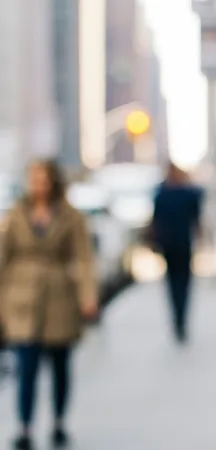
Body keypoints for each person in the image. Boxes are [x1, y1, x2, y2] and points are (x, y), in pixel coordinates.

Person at [0, 160, 98, 450]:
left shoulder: (71, 216)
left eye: (43, 179)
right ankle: (25, 428)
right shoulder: (16, 215)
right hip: (22, 301)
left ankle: (58, 422)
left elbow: (83, 258)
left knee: (59, 366)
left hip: (59, 299)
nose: (38, 185)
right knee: (25, 367)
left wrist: (88, 297)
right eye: (34, 179)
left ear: (53, 182)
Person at [151, 163, 203, 343]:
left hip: (170, 245)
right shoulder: (187, 193)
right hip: (181, 244)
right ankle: (181, 320)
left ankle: (178, 319)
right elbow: (196, 220)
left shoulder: (161, 194)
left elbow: (155, 221)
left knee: (173, 284)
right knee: (183, 283)